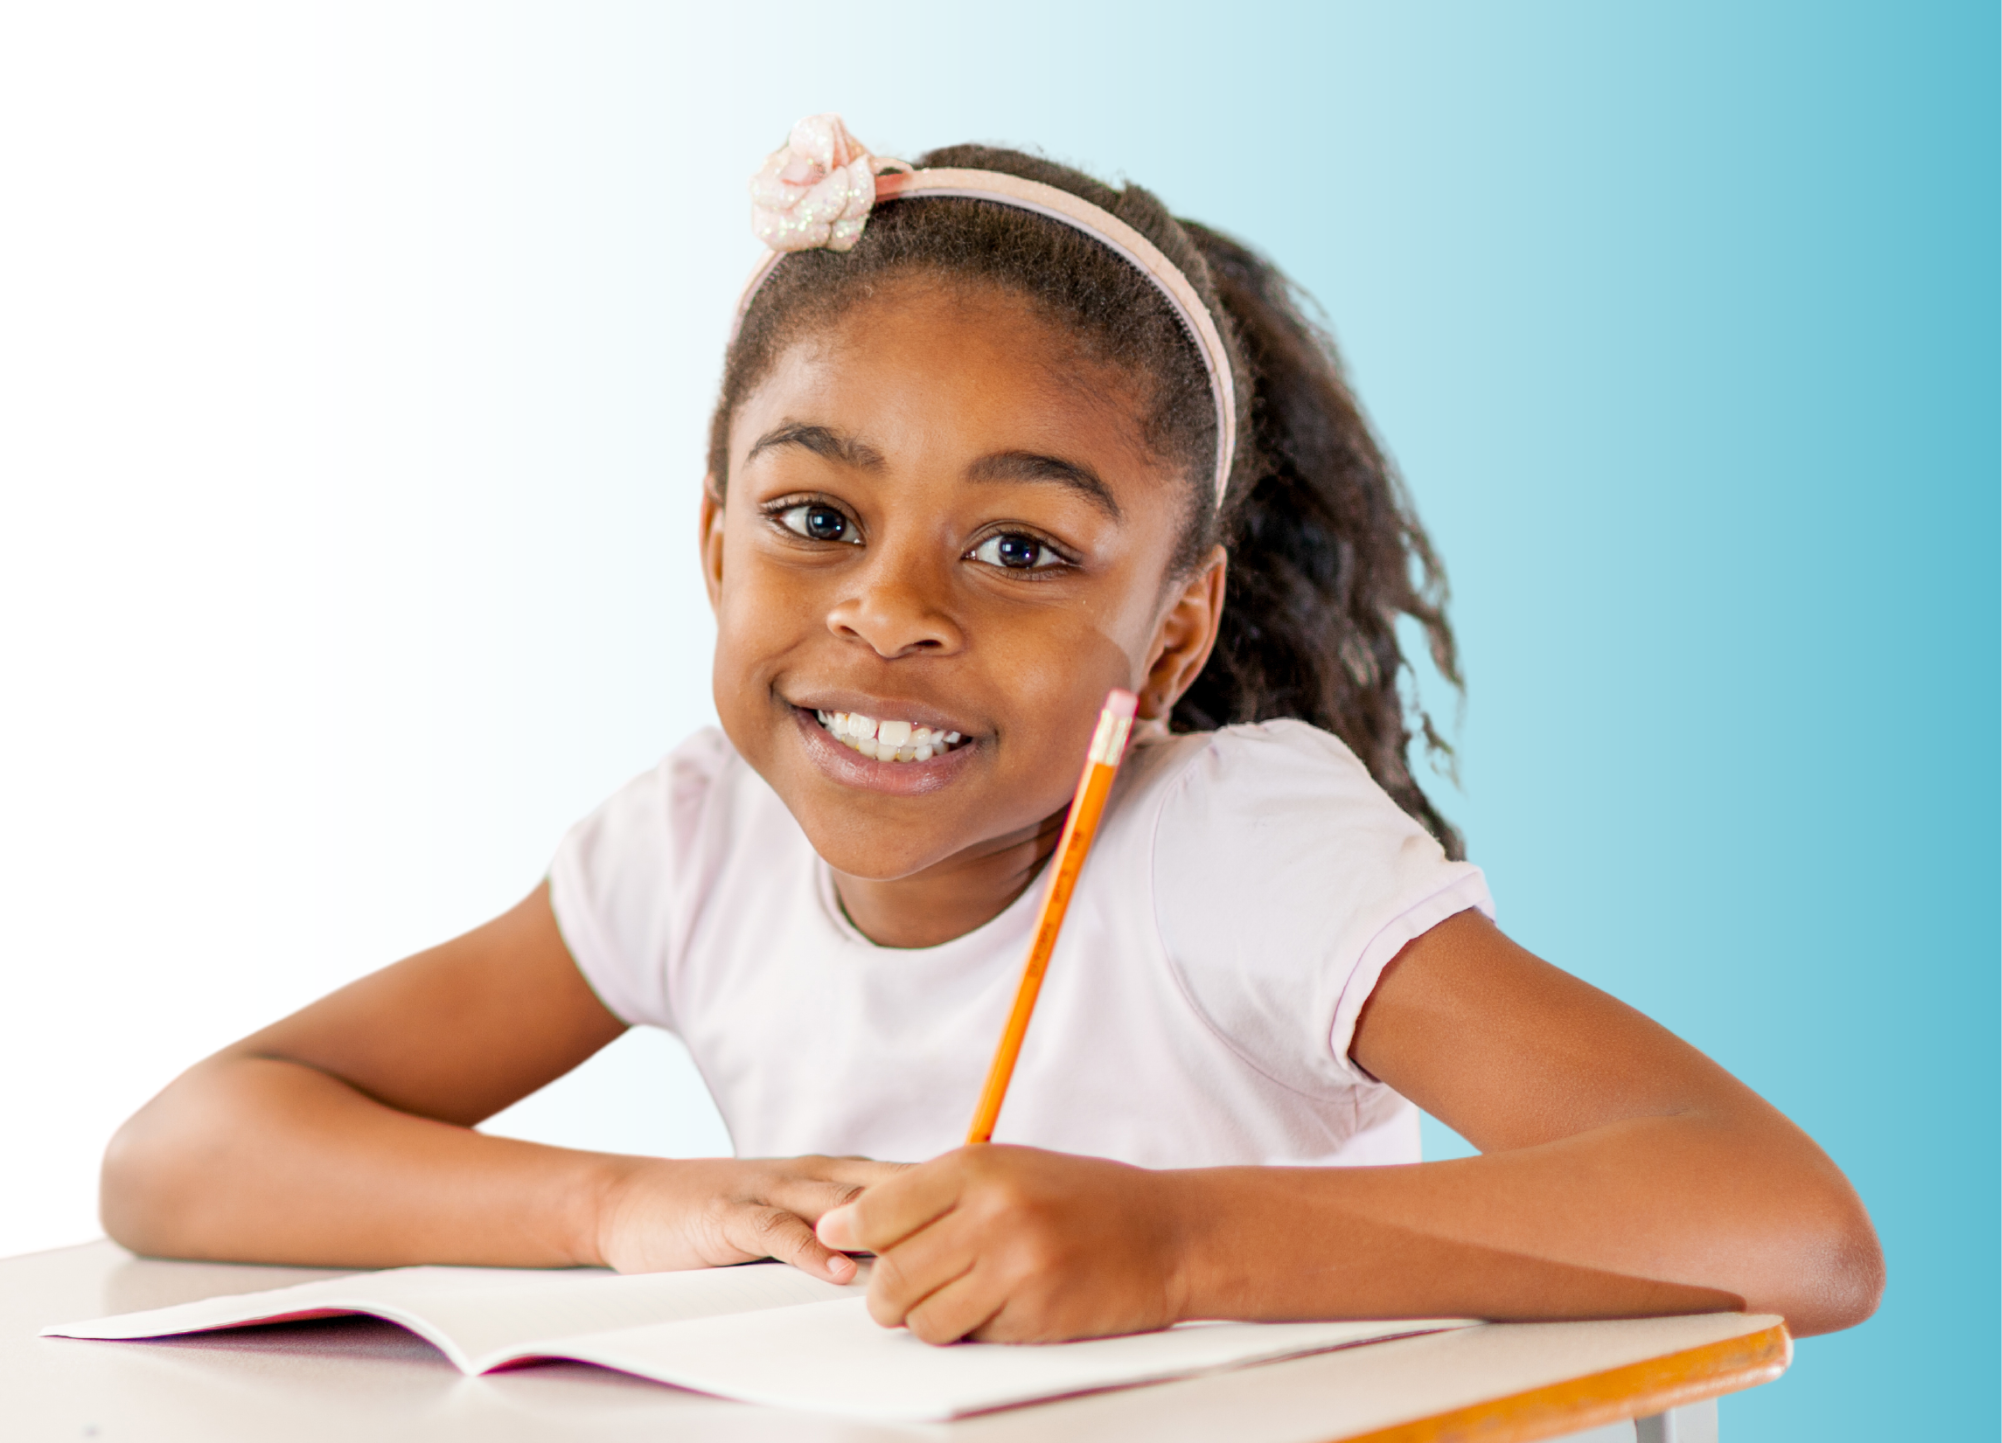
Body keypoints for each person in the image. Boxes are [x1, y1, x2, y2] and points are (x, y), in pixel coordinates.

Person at [100, 116, 1882, 1345]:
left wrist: (1179, 1248)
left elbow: (1782, 1222)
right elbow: (184, 1155)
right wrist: (624, 1206)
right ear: (712, 542)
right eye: (814, 519)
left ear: (1173, 628)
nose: (888, 612)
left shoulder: (1241, 852)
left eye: (1020, 549)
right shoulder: (694, 842)